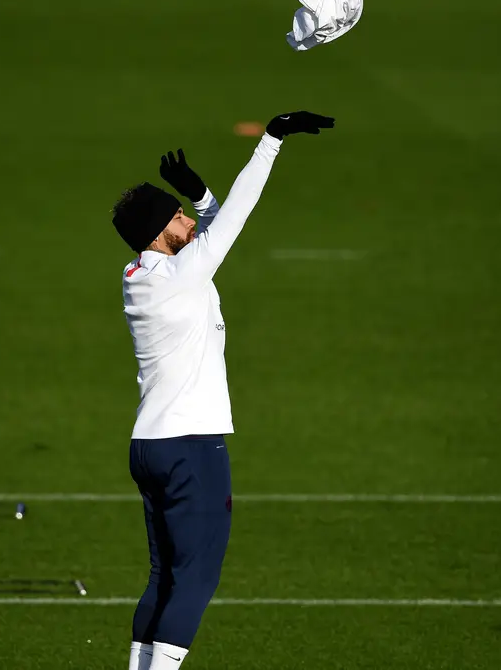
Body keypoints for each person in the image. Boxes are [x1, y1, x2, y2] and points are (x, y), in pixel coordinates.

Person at [110, 112, 336, 669]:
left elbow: (206, 234)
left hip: (150, 446)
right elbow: (234, 218)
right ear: (160, 231)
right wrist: (272, 140)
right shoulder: (185, 275)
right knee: (196, 578)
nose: (188, 218)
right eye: (178, 214)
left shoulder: (141, 276)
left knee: (164, 577)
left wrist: (199, 195)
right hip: (191, 447)